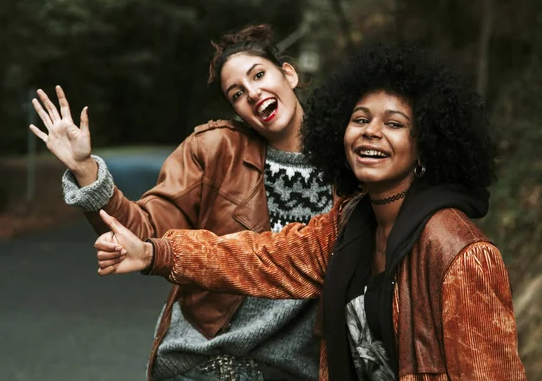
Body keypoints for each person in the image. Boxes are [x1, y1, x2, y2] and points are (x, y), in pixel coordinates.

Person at [94, 44, 527, 380]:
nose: (371, 132)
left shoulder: (460, 255)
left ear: (426, 146)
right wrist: (154, 254)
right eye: (360, 120)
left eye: (394, 124)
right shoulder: (348, 224)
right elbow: (261, 257)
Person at [29, 24, 334, 380]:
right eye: (236, 93)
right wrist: (85, 170)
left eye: (259, 75)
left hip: (299, 370)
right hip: (208, 360)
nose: (252, 93)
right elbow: (145, 230)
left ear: (289, 74)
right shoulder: (215, 149)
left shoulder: (350, 160)